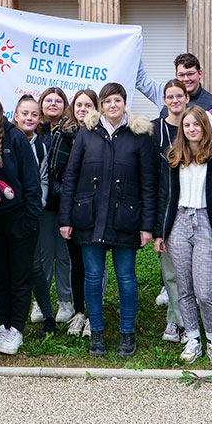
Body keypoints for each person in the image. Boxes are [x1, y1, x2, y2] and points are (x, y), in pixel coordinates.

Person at [60, 83, 156, 358]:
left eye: (117, 100)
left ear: (125, 103)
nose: (112, 105)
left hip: (126, 218)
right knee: (92, 277)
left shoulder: (139, 135)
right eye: (107, 101)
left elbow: (148, 183)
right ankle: (98, 333)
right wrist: (66, 218)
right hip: (89, 217)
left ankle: (127, 334)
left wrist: (147, 225)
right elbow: (71, 178)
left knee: (126, 278)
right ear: (100, 105)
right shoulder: (86, 134)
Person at [154, 106, 212, 366]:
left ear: (204, 127)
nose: (191, 129)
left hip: (206, 224)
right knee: (184, 288)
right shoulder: (172, 158)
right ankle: (192, 338)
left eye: (196, 125)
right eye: (187, 125)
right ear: (182, 129)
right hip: (178, 222)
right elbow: (163, 198)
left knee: (204, 290)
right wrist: (161, 232)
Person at [0, 92, 42, 356]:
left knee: (19, 277)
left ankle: (16, 329)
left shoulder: (16, 138)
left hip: (20, 220)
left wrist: (30, 219)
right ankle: (3, 325)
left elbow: (32, 184)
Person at [47, 89, 99, 338]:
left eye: (88, 105)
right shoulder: (62, 135)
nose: (82, 109)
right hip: (70, 209)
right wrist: (69, 197)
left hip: (96, 211)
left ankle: (94, 314)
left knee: (96, 266)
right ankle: (79, 312)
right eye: (79, 105)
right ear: (72, 108)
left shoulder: (101, 135)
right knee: (76, 264)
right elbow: (53, 174)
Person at [12, 95, 56, 336]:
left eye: (34, 114)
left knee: (35, 265)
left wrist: (36, 205)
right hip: (5, 214)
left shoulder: (40, 146)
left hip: (31, 214)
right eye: (24, 114)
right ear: (15, 115)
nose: (29, 118)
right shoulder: (5, 140)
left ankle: (48, 315)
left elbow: (43, 179)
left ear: (39, 119)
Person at [149, 80, 188, 342]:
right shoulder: (154, 130)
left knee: (194, 273)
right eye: (169, 96)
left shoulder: (196, 124)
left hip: (194, 205)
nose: (174, 100)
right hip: (166, 206)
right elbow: (150, 174)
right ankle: (176, 320)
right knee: (172, 271)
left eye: (179, 96)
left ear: (187, 97)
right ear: (164, 100)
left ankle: (196, 319)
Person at [33, 87, 73, 324]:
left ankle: (65, 301)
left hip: (65, 204)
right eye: (48, 100)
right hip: (42, 206)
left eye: (58, 100)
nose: (53, 104)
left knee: (64, 255)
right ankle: (40, 300)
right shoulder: (34, 132)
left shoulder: (70, 131)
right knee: (43, 254)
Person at [135, 54, 212, 117]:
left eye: (190, 74)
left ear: (200, 73)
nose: (186, 79)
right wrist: (134, 46)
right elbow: (140, 81)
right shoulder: (164, 91)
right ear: (176, 75)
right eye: (181, 75)